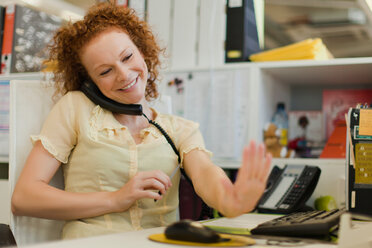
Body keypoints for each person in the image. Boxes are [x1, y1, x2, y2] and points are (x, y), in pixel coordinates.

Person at [11, 2, 272, 240]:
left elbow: (204, 173)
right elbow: (25, 197)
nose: (124, 75)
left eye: (127, 57)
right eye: (105, 71)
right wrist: (115, 199)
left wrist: (232, 199)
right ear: (90, 82)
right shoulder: (75, 108)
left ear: (143, 52)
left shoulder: (178, 129)